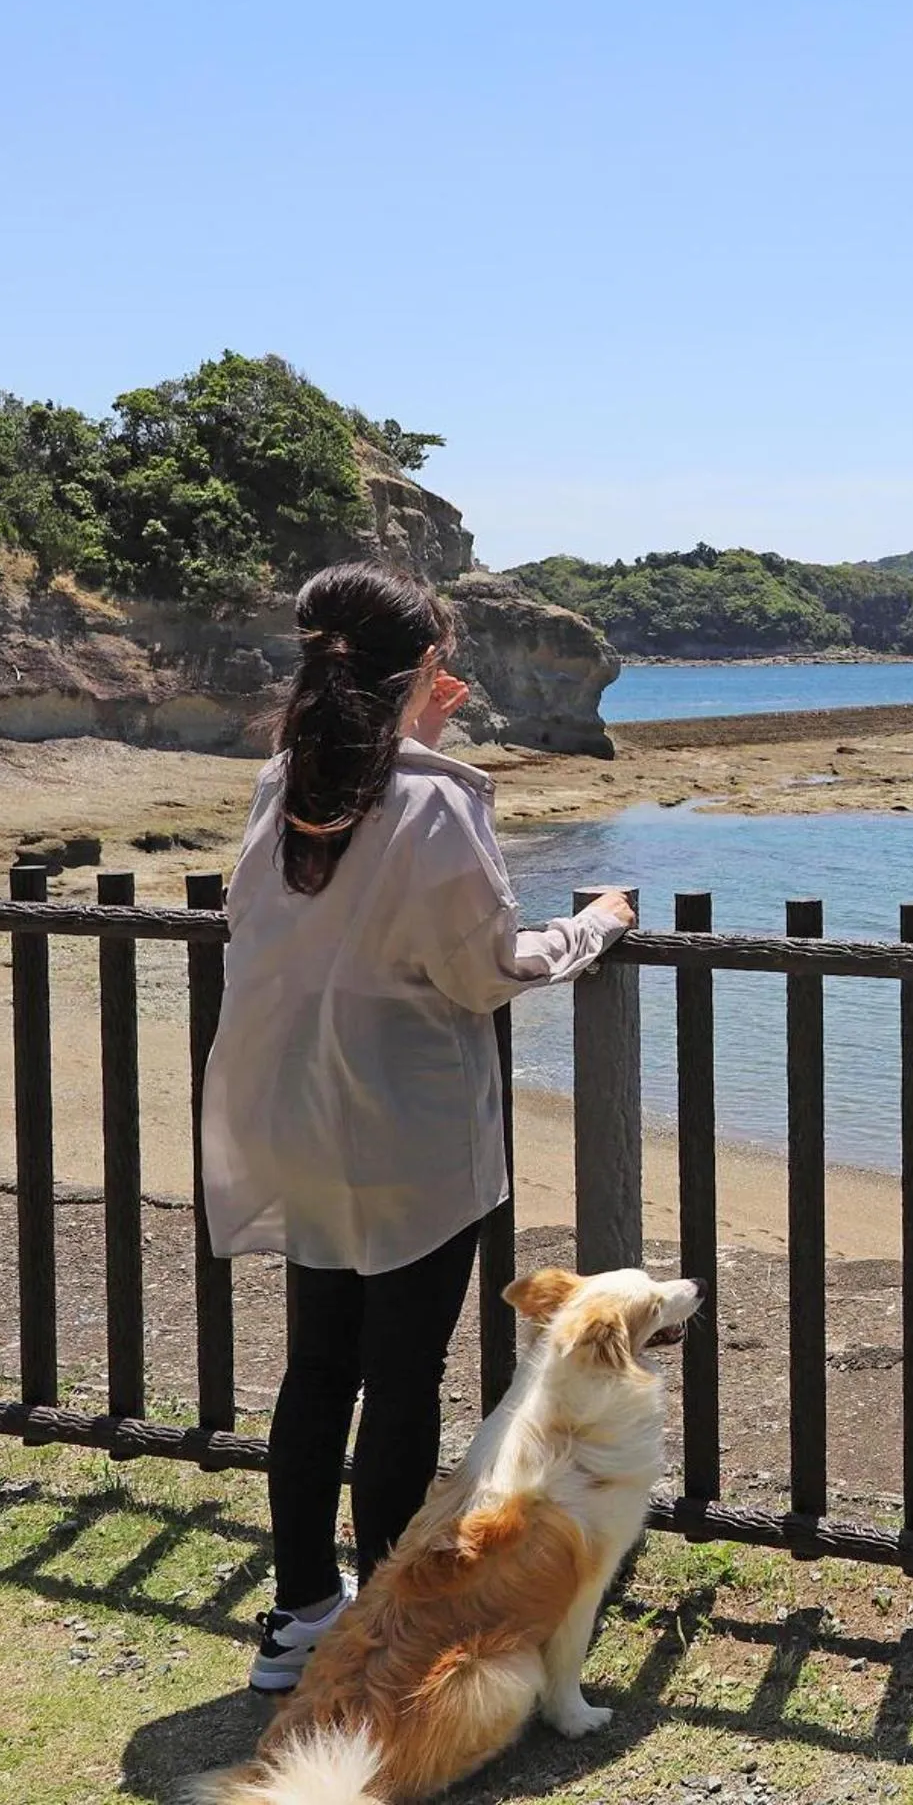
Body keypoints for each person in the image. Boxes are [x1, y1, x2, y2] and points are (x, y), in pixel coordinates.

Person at [201, 561, 635, 1691]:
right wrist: (591, 926)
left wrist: (409, 718)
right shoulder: (437, 797)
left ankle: (301, 1616)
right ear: (426, 666)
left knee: (317, 1368)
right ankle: (384, 1625)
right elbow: (484, 971)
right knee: (400, 1379)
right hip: (403, 1127)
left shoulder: (285, 781)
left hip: (293, 1113)